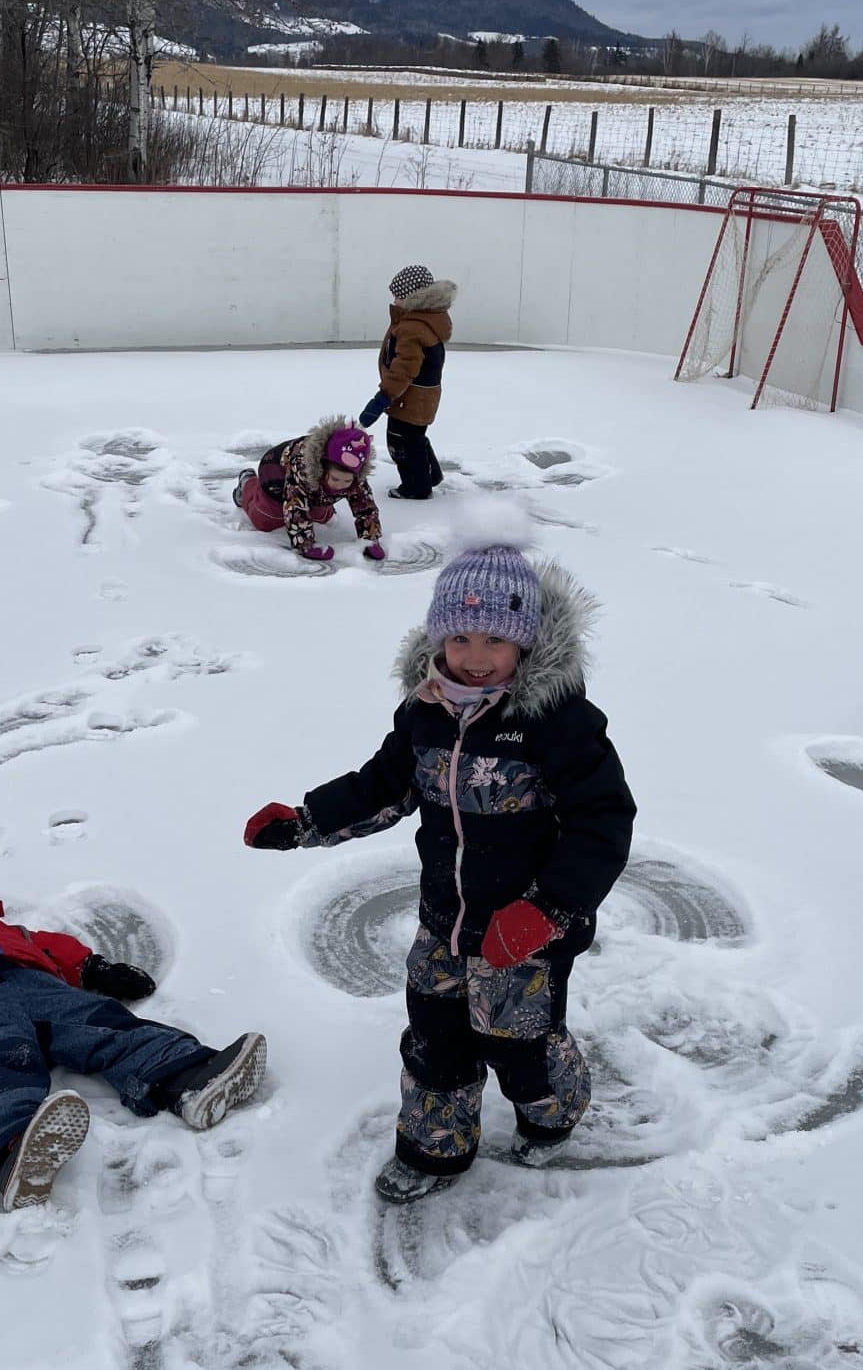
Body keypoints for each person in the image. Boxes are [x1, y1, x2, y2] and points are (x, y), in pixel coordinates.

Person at [243, 531, 636, 1202]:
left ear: (527, 641)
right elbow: (385, 786)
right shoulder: (426, 712)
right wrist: (308, 820)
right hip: (443, 923)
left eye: (494, 641)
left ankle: (555, 1110)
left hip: (525, 930)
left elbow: (603, 821)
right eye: (460, 639)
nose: (475, 658)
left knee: (519, 1044)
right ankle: (435, 1150)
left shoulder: (556, 722)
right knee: (435, 1040)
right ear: (438, 638)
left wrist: (549, 910)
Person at [0, 871, 267, 1210]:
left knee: (97, 1021)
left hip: (26, 978)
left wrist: (93, 969)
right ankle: (13, 1148)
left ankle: (185, 1078)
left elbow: (39, 942)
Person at [358, 263, 457, 501]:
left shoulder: (412, 327)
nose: (394, 300)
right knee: (415, 437)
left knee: (400, 441)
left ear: (412, 298)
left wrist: (383, 397)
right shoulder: (427, 320)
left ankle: (416, 487)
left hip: (409, 397)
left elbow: (404, 369)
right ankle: (430, 474)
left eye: (398, 296)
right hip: (422, 396)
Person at [233, 418, 384, 563]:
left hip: (313, 487)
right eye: (336, 479)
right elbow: (294, 506)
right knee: (266, 520)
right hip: (274, 474)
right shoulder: (303, 467)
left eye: (347, 481)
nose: (341, 486)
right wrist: (305, 545)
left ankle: (318, 500)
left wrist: (370, 539)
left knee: (321, 516)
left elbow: (366, 506)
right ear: (323, 469)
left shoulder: (356, 474)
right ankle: (248, 483)